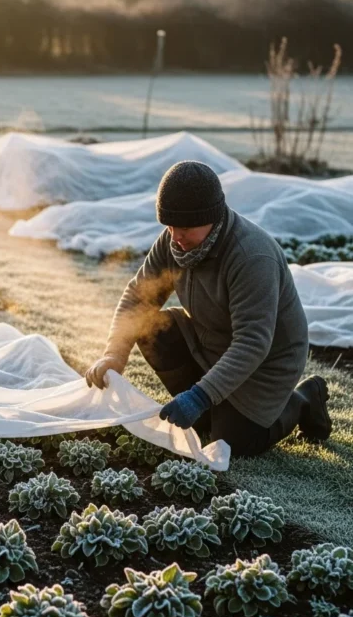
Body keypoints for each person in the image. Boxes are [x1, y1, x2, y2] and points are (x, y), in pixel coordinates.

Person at [86, 160, 331, 456]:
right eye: (169, 226)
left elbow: (253, 343)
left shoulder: (251, 257)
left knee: (231, 443)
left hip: (266, 364)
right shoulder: (174, 243)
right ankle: (211, 407)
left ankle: (302, 399)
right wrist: (114, 353)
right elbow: (139, 298)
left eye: (185, 228)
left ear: (211, 218)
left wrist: (199, 397)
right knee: (152, 329)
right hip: (212, 341)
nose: (175, 236)